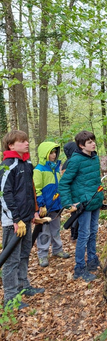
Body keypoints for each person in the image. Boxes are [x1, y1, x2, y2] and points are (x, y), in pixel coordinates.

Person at [0, 130, 45, 309]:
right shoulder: (7, 165)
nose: (27, 143)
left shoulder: (27, 164)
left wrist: (34, 212)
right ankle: (10, 299)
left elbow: (30, 190)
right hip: (13, 222)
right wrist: (16, 219)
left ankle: (23, 286)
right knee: (11, 259)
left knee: (25, 254)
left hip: (26, 219)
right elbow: (4, 194)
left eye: (27, 140)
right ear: (11, 145)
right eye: (22, 141)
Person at [58, 131, 104, 282]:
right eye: (89, 142)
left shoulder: (94, 157)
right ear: (81, 145)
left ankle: (92, 260)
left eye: (93, 140)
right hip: (82, 204)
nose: (93, 143)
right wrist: (68, 203)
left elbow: (94, 181)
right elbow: (64, 183)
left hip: (94, 201)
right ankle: (79, 268)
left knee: (93, 231)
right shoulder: (75, 160)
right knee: (83, 234)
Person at [33, 141, 70, 267]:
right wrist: (41, 205)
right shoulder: (39, 170)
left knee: (55, 230)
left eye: (55, 152)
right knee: (44, 232)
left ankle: (57, 250)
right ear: (45, 154)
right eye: (51, 153)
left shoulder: (55, 169)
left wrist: (63, 202)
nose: (54, 155)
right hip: (45, 208)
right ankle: (42, 255)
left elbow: (59, 187)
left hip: (56, 206)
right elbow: (36, 189)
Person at [61, 141, 81, 241]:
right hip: (74, 193)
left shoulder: (71, 161)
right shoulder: (69, 163)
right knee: (76, 215)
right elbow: (66, 181)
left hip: (75, 193)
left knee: (76, 215)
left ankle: (75, 234)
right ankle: (74, 235)